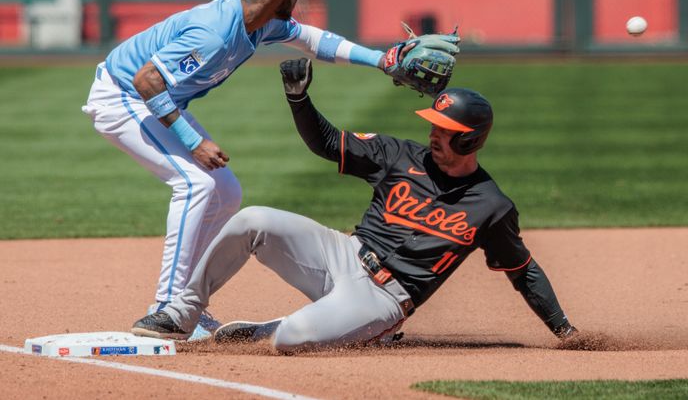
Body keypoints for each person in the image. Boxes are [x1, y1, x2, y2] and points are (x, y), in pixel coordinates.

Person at [130, 58, 578, 352]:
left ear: (470, 137)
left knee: (292, 339)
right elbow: (326, 143)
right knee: (253, 220)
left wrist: (566, 332)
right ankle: (180, 313)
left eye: (444, 129)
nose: (433, 135)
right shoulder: (400, 155)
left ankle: (283, 327)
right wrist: (298, 98)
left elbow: (524, 271)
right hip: (341, 254)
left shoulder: (491, 205)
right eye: (434, 126)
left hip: (384, 298)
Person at [82, 0, 404, 341]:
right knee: (195, 183)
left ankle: (186, 306)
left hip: (156, 100)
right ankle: (167, 309)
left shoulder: (259, 20)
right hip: (123, 98)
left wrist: (382, 60)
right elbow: (147, 80)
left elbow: (315, 41)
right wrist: (191, 140)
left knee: (225, 191)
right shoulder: (216, 33)